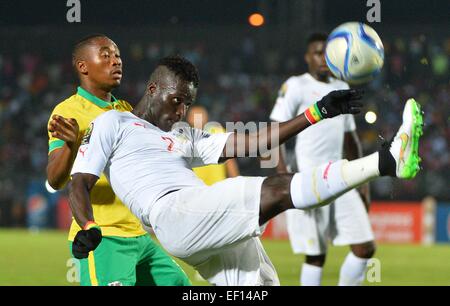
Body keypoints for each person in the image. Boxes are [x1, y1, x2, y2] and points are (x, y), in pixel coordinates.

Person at [59, 55, 423, 286]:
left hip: (198, 222)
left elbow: (253, 142)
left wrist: (318, 112)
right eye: (176, 100)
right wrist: (88, 226)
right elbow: (80, 181)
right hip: (172, 211)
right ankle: (387, 161)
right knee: (277, 189)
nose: (181, 111)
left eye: (188, 103)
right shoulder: (114, 124)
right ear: (153, 89)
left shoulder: (183, 134)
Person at [47, 35, 190, 286]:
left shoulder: (125, 110)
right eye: (105, 55)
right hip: (104, 236)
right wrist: (70, 146)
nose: (116, 61)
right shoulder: (67, 111)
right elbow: (55, 180)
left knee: (181, 284)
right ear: (83, 66)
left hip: (139, 237)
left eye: (118, 56)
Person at [270, 33, 375, 286]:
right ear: (307, 57)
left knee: (365, 248)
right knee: (316, 255)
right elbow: (273, 131)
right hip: (308, 178)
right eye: (317, 53)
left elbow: (351, 140)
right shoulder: (296, 85)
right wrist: (282, 173)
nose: (323, 58)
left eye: (327, 52)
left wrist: (363, 182)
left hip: (341, 175)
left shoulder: (342, 87)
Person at [186, 105, 279, 284]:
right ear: (188, 118)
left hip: (218, 190)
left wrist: (236, 179)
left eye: (200, 115)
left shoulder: (216, 130)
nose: (197, 118)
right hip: (197, 192)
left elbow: (229, 159)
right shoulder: (184, 137)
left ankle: (225, 267)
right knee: (207, 233)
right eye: (194, 115)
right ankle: (215, 266)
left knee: (221, 231)